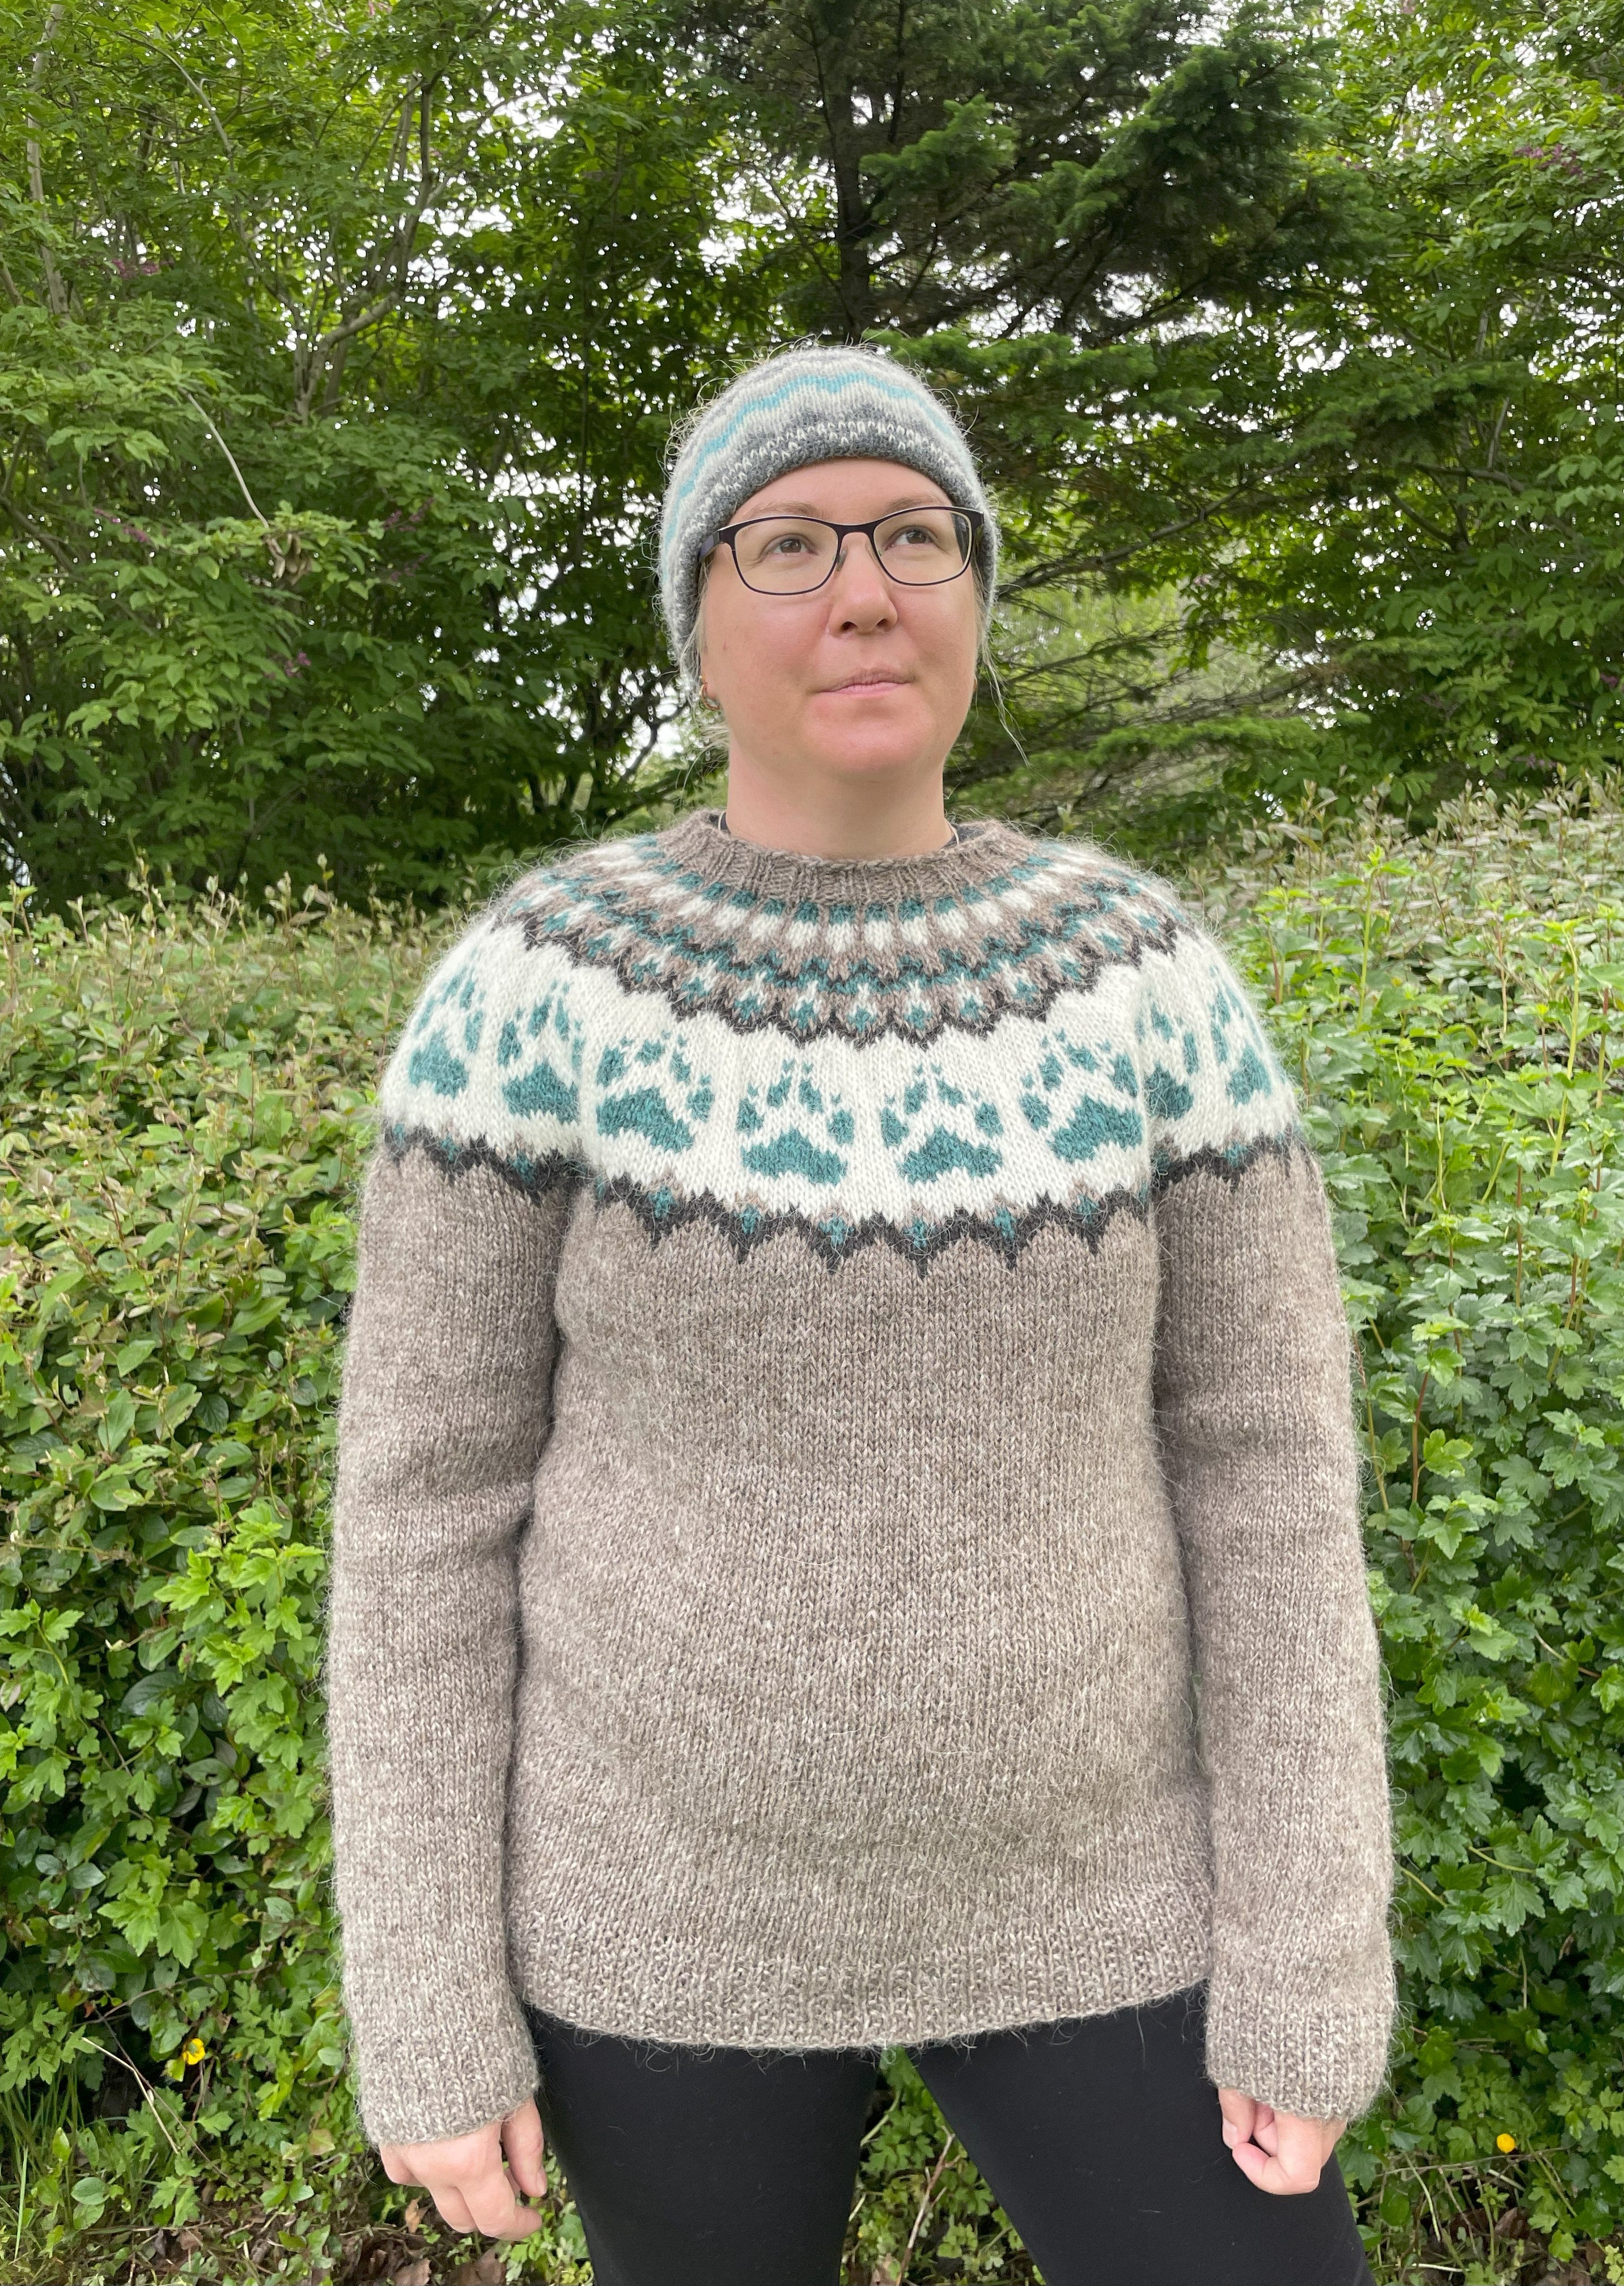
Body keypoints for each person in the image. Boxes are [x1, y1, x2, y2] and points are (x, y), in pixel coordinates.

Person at [323, 342, 1397, 2286]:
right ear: (697, 617)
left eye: (915, 534)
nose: (865, 590)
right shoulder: (539, 992)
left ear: (976, 589)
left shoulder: (1144, 983)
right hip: (657, 1918)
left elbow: (1266, 1478)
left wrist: (1312, 1956)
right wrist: (422, 1995)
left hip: (1110, 1897)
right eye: (791, 542)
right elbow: (423, 1511)